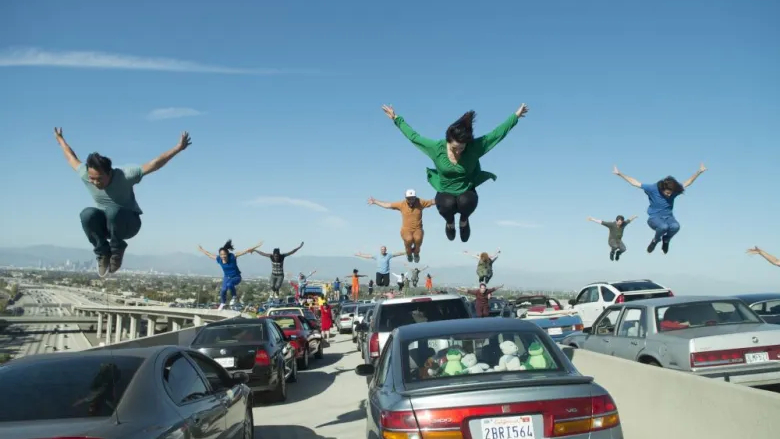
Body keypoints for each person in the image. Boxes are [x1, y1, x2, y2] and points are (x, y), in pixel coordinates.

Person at [382, 104, 529, 242]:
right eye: (455, 148)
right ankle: (450, 223)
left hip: (466, 189)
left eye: (462, 148)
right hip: (445, 190)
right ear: (448, 141)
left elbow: (497, 134)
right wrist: (396, 119)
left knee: (465, 202)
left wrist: (515, 116)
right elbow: (414, 137)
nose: (459, 151)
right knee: (447, 204)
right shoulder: (436, 148)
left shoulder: (474, 148)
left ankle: (464, 221)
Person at [55, 128, 191, 276]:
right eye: (92, 178)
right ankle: (103, 254)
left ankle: (117, 252)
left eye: (99, 178)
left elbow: (155, 163)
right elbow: (70, 157)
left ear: (110, 172)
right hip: (108, 225)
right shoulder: (86, 174)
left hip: (129, 224)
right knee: (86, 214)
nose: (94, 182)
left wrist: (178, 148)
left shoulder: (125, 175)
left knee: (113, 210)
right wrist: (60, 139)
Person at [614, 164, 707, 254]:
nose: (669, 195)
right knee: (664, 227)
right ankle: (655, 240)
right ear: (662, 189)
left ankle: (666, 240)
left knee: (676, 226)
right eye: (667, 193)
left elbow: (688, 182)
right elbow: (634, 183)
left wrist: (699, 172)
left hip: (669, 217)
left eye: (670, 193)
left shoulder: (673, 190)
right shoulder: (652, 189)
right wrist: (620, 174)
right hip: (654, 218)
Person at [367, 189, 435, 262]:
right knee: (409, 239)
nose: (411, 200)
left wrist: (444, 197)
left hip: (418, 229)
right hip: (406, 230)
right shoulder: (401, 204)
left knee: (418, 238)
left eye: (413, 198)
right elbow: (387, 205)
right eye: (409, 198)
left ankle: (416, 253)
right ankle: (409, 254)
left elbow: (433, 201)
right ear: (406, 198)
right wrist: (375, 202)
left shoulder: (421, 202)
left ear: (415, 197)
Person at [197, 239, 263, 310]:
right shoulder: (219, 259)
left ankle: (234, 297)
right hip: (227, 277)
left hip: (236, 277)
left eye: (224, 254)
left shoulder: (232, 257)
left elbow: (245, 251)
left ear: (227, 254)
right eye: (221, 254)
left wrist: (256, 246)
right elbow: (209, 254)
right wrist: (201, 250)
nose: (223, 256)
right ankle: (222, 303)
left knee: (229, 284)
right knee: (223, 290)